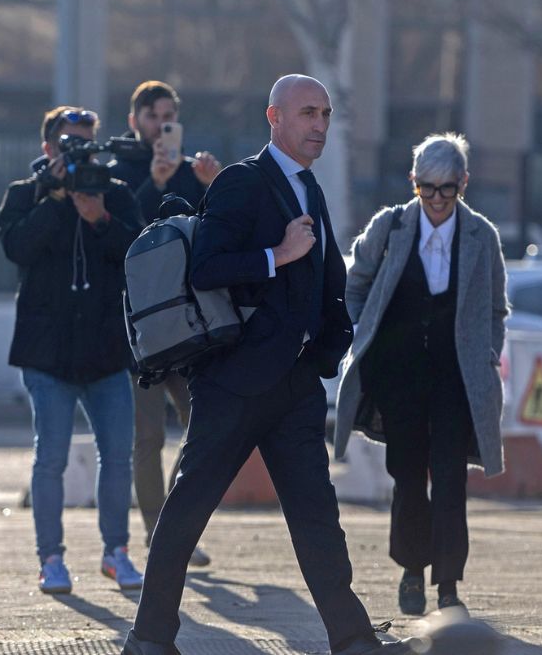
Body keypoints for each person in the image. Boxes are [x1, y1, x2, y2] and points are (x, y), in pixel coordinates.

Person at [123, 75, 412, 655]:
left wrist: (327, 353)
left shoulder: (311, 189)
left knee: (316, 515)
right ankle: (149, 639)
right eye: (308, 113)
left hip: (295, 384)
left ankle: (353, 639)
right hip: (233, 381)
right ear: (274, 117)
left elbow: (328, 283)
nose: (320, 126)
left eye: (326, 114)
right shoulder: (241, 182)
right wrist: (276, 254)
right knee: (189, 508)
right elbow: (206, 267)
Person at [335, 133, 508, 617]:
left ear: (464, 184)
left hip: (456, 380)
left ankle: (448, 584)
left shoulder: (482, 237)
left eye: (447, 189)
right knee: (408, 477)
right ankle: (412, 571)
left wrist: (487, 352)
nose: (436, 200)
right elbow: (355, 284)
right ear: (413, 183)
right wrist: (360, 336)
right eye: (426, 188)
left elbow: (496, 308)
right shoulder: (389, 228)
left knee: (452, 479)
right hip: (399, 377)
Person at [0, 106, 144, 595]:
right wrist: (57, 201)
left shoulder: (116, 195)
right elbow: (15, 248)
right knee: (50, 459)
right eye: (68, 144)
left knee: (118, 456)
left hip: (105, 352)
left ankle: (116, 551)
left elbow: (140, 256)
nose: (77, 151)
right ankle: (51, 558)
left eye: (85, 143)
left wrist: (99, 218)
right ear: (48, 149)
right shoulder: (26, 193)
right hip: (47, 354)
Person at [108, 80, 220, 565]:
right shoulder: (119, 172)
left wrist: (215, 186)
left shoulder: (192, 172)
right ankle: (159, 534)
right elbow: (119, 241)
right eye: (154, 117)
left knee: (205, 428)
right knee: (147, 436)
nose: (162, 126)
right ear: (135, 121)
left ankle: (178, 524)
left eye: (170, 116)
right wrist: (153, 183)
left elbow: (216, 235)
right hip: (142, 327)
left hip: (190, 324)